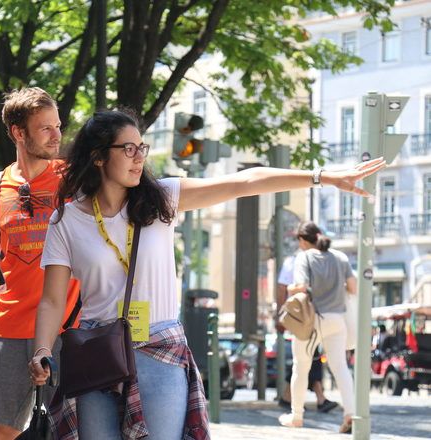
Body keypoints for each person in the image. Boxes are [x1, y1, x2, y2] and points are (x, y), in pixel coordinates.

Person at [29, 109, 385, 439]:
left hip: (159, 348)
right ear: (98, 156)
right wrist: (42, 349)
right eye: (128, 148)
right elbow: (52, 299)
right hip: (98, 350)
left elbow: (245, 181)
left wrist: (322, 177)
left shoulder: (161, 199)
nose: (140, 157)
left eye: (142, 147)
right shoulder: (67, 220)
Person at [0, 87, 80, 440]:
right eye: (45, 128)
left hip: (67, 329)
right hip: (5, 329)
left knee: (67, 432)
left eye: (57, 126)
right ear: (18, 133)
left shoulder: (75, 182)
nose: (57, 136)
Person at [278, 221, 357, 433]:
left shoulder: (304, 257)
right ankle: (350, 413)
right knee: (340, 367)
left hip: (313, 320)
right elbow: (353, 287)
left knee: (301, 366)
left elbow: (301, 286)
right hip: (337, 319)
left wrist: (292, 289)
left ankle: (296, 416)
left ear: (303, 241)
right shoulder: (340, 257)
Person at [276, 255, 338, 414]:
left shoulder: (314, 260)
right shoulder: (293, 262)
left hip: (310, 315)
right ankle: (316, 398)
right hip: (300, 316)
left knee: (307, 355)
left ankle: (292, 397)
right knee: (308, 355)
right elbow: (283, 288)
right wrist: (281, 315)